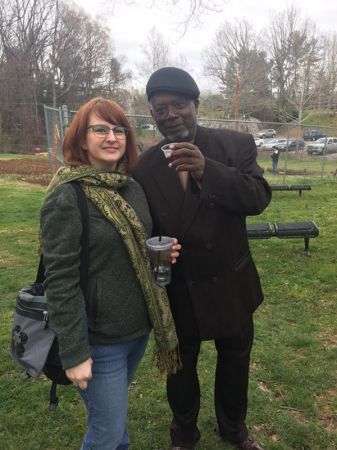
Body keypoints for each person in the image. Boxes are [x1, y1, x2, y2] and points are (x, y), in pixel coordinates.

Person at [133, 67, 272, 450]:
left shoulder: (234, 145)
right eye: (160, 109)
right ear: (153, 115)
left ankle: (234, 430)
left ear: (196, 105)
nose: (171, 115)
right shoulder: (144, 167)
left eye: (179, 105)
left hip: (229, 282)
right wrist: (150, 246)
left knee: (234, 364)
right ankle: (184, 434)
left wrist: (207, 170)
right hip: (180, 288)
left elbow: (258, 198)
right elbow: (141, 223)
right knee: (180, 370)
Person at [40, 97, 181, 450]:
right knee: (106, 433)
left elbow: (132, 243)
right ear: (81, 138)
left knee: (115, 430)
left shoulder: (130, 187)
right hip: (98, 338)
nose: (112, 137)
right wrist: (74, 352)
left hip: (137, 329)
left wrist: (157, 251)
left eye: (119, 129)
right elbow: (59, 280)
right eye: (100, 129)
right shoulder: (68, 196)